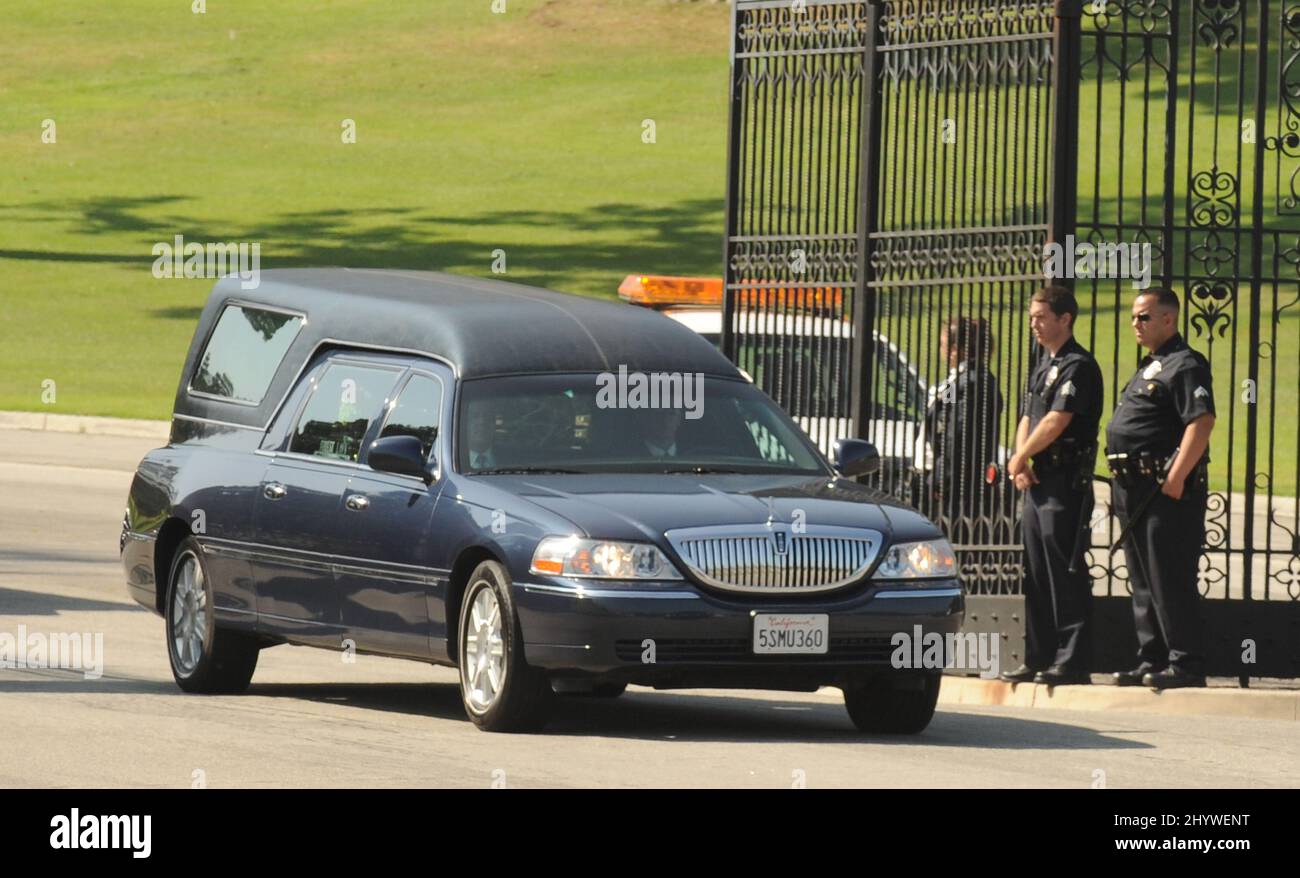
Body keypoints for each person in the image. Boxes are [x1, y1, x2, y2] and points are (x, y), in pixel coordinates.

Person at [1104, 288, 1215, 689]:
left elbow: (1201, 421)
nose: (1136, 323)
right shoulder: (1152, 365)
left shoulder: (1185, 365)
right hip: (1132, 486)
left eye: (1144, 317)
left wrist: (1178, 474)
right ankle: (1152, 658)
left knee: (1168, 576)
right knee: (1142, 578)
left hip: (1163, 490)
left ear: (1169, 319)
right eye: (1134, 317)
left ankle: (1186, 663)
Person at [999, 286, 1103, 686]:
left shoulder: (1079, 365)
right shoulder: (1044, 364)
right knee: (1036, 572)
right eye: (1032, 317)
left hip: (1064, 482)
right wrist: (1020, 459)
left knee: (1065, 569)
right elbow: (1029, 414)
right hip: (1036, 479)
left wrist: (1021, 455)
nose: (1034, 324)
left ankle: (1072, 659)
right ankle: (1037, 655)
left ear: (1065, 319)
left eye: (1041, 317)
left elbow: (1057, 421)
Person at [923, 316, 1003, 541]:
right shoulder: (953, 381)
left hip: (961, 484)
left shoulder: (973, 383)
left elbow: (956, 435)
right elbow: (943, 415)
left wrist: (941, 476)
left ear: (955, 349)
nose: (940, 350)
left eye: (942, 344)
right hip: (946, 474)